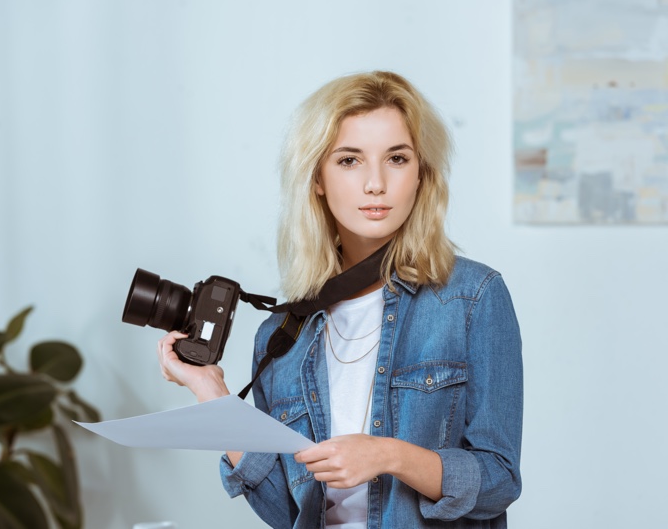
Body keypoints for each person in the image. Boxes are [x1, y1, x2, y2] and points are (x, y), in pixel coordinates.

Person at [156, 70, 523, 528]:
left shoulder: (472, 298)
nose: (375, 183)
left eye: (397, 159)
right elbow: (283, 511)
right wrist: (209, 390)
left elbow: (500, 480)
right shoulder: (283, 337)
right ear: (317, 180)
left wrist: (389, 455)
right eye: (349, 161)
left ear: (421, 173)